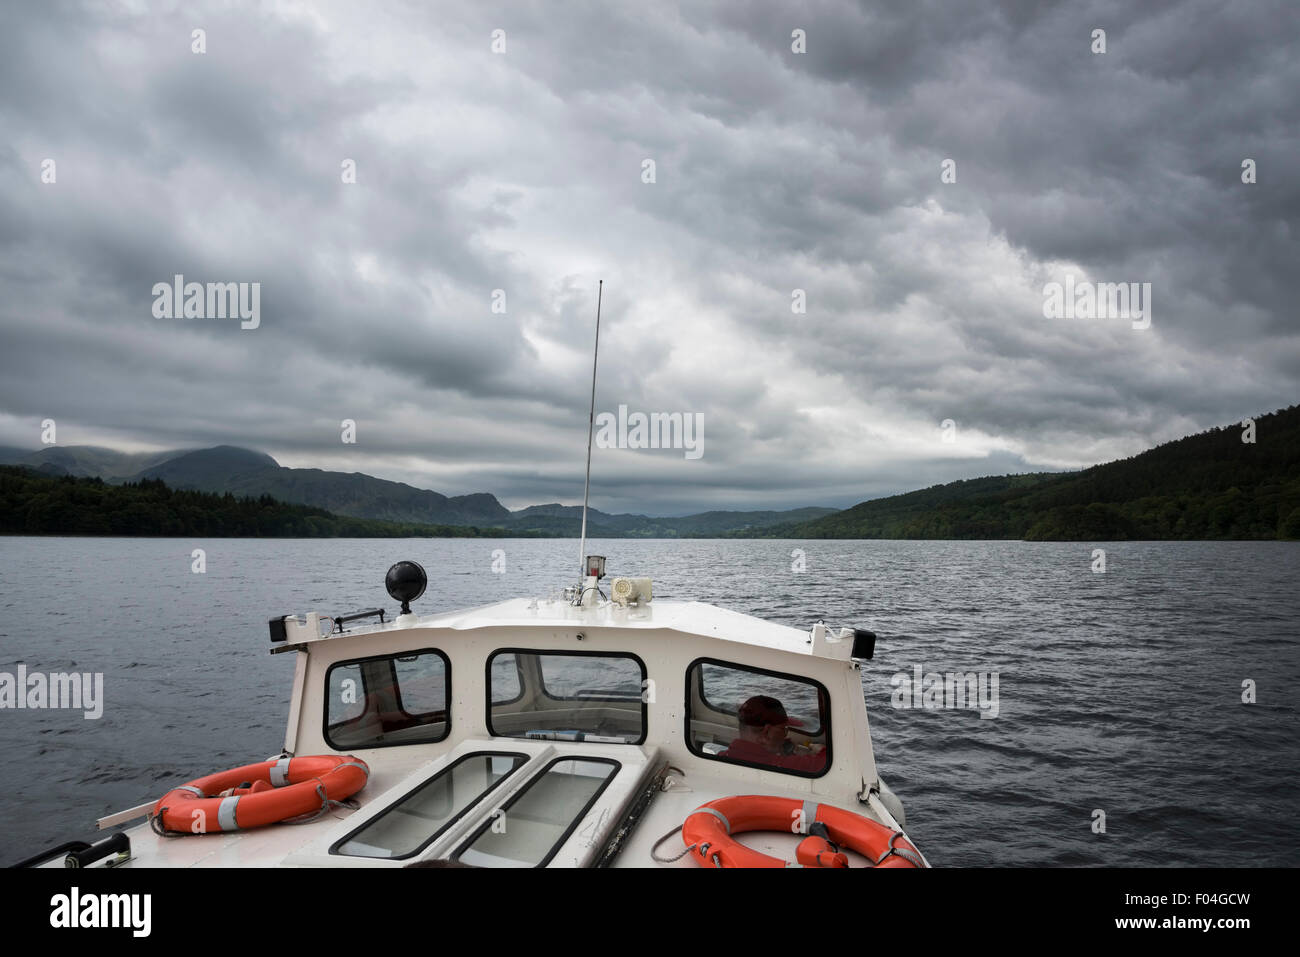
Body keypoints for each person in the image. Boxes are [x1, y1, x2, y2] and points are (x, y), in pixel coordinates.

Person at [718, 695, 827, 772]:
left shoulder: (720, 757)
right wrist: (821, 749)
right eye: (783, 729)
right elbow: (827, 763)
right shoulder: (779, 764)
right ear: (766, 732)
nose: (785, 735)